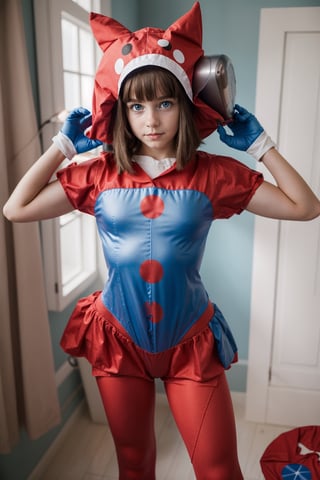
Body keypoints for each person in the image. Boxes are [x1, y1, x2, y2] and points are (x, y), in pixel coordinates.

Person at [3, 3, 320, 479]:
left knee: (218, 469)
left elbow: (305, 206)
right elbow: (15, 208)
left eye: (164, 103)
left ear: (185, 105)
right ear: (122, 111)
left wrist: (261, 146)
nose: (151, 120)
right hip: (117, 339)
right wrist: (61, 148)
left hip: (190, 342)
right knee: (134, 464)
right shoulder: (99, 175)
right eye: (137, 105)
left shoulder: (214, 174)